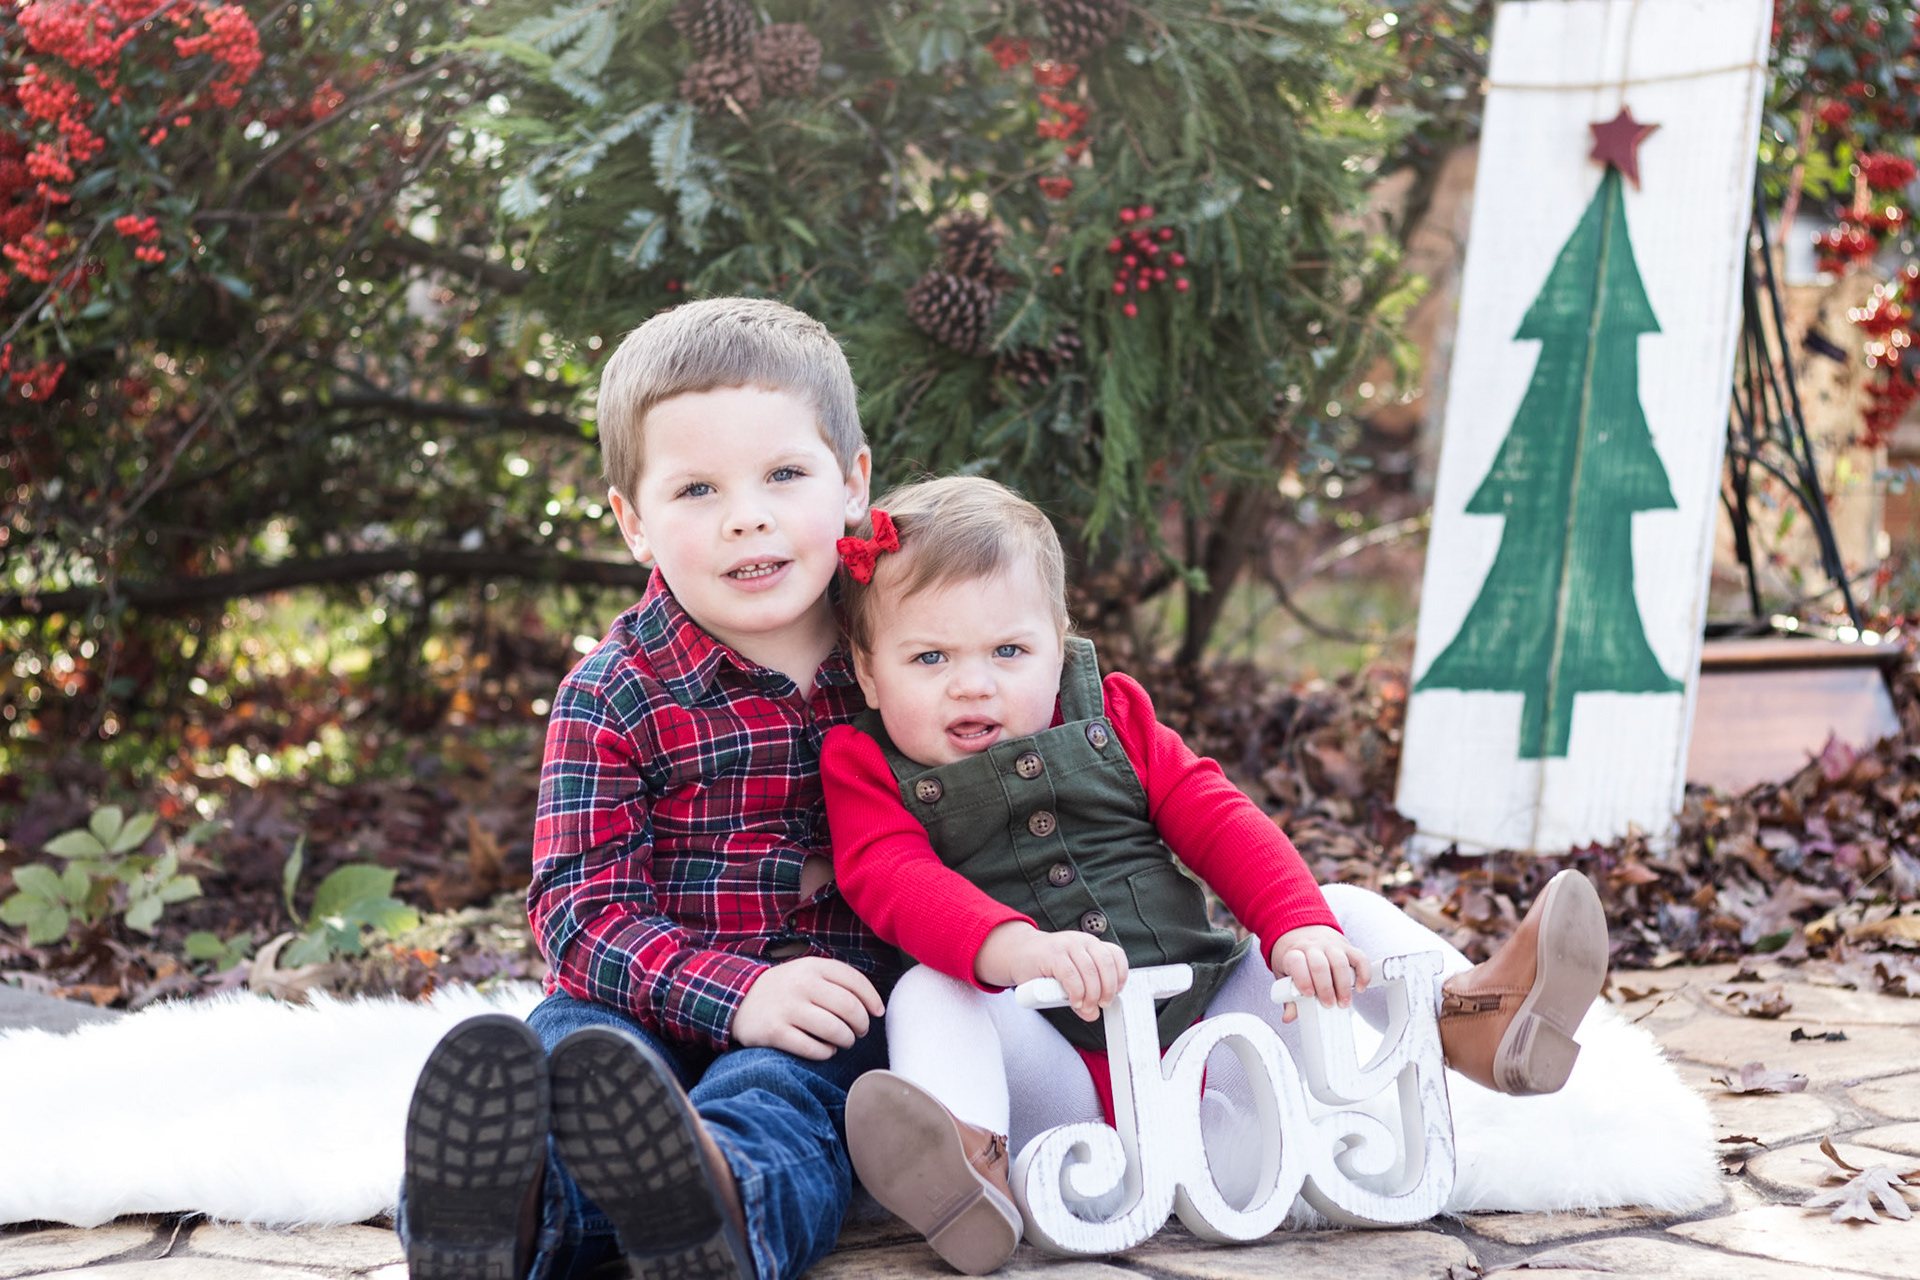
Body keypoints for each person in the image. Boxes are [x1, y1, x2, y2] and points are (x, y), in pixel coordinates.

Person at [821, 476, 1609, 1275]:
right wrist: (1014, 949)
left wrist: (1296, 926)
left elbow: (1216, 815)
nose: (973, 682)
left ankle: (1471, 1018)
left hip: (1217, 1043)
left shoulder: (1113, 718)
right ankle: (970, 1168)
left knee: (1337, 910)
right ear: (869, 671)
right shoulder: (864, 763)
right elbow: (890, 876)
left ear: (1058, 646)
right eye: (930, 657)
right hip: (1058, 1093)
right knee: (929, 992)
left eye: (1009, 651)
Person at [398, 298, 902, 1280]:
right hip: (636, 1004)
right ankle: (500, 1217)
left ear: (852, 484)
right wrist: (734, 992)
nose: (747, 515)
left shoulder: (906, 657)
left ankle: (717, 1200)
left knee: (785, 1097)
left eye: (784, 475)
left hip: (820, 1011)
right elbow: (579, 914)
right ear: (634, 522)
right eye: (698, 488)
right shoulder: (614, 691)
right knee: (562, 1053)